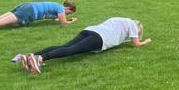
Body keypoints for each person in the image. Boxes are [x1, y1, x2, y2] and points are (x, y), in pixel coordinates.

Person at [14, 16, 150, 74]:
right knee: (71, 50)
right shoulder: (133, 25)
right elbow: (136, 44)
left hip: (89, 30)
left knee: (64, 46)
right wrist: (145, 42)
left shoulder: (119, 19)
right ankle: (40, 59)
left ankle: (31, 56)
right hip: (99, 39)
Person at [0, 0, 77, 33]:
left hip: (27, 5)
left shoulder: (56, 5)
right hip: (30, 11)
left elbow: (56, 19)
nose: (67, 15)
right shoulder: (61, 8)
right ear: (68, 9)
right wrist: (72, 21)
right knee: (2, 22)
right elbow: (63, 23)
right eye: (69, 13)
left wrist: (64, 19)